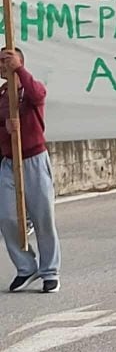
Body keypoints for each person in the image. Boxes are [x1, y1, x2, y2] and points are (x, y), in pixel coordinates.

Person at [0, 49, 61, 294]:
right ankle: (26, 267)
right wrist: (6, 129)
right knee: (7, 217)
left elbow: (39, 95)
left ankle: (50, 272)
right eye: (1, 61)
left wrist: (20, 71)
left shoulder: (30, 88)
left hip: (34, 159)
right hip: (8, 163)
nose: (3, 65)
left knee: (43, 217)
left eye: (8, 60)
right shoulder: (2, 96)